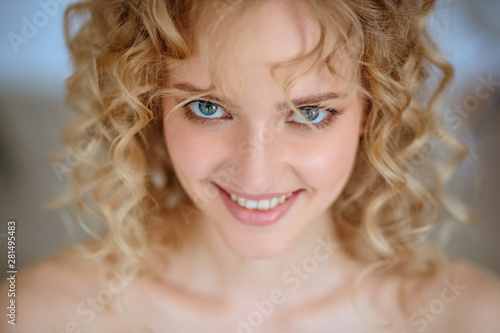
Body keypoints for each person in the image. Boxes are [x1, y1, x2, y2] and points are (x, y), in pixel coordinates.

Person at [2, 0, 500, 332]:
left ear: (374, 110)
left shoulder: (472, 316)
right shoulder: (33, 315)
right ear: (149, 106)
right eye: (208, 108)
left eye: (309, 113)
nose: (255, 176)